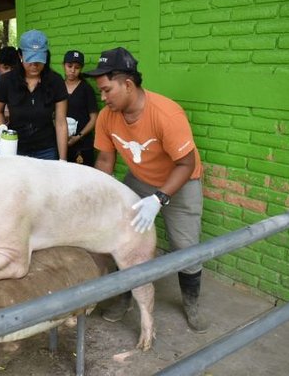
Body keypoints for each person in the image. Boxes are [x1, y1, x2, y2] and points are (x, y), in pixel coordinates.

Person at [85, 47, 208, 333]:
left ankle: (192, 304)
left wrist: (160, 198)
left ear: (128, 84)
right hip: (140, 178)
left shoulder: (166, 113)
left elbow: (186, 163)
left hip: (180, 182)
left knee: (185, 247)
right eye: (100, 91)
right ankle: (124, 297)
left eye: (107, 90)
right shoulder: (107, 116)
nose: (103, 98)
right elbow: (105, 159)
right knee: (122, 238)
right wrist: (98, 197)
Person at [0, 29, 69, 160]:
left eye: (39, 60)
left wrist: (63, 160)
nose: (34, 65)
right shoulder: (7, 81)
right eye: (30, 60)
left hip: (46, 150)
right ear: (20, 55)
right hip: (15, 148)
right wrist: (2, 127)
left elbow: (61, 122)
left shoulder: (56, 81)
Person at [62, 50, 98, 166]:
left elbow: (94, 118)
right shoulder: (58, 87)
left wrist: (78, 136)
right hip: (61, 143)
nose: (72, 70)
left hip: (83, 145)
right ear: (64, 66)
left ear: (81, 68)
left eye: (77, 67)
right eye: (69, 66)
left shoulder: (86, 89)